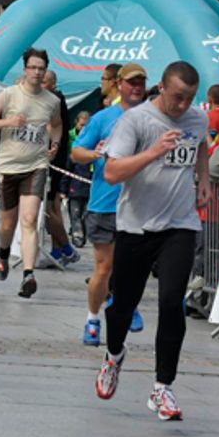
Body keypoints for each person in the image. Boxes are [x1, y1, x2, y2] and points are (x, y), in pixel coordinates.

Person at [94, 62, 210, 422]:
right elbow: (112, 173)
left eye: (189, 98)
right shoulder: (136, 121)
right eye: (177, 97)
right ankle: (114, 355)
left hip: (180, 224)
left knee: (173, 301)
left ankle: (163, 386)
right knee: (123, 307)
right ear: (160, 88)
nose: (182, 106)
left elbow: (201, 145)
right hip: (136, 226)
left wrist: (203, 178)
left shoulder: (196, 119)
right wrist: (152, 153)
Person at [71, 62, 149, 347]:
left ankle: (126, 302)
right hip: (105, 203)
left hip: (140, 204)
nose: (137, 87)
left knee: (133, 266)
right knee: (104, 268)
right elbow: (76, 151)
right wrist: (94, 153)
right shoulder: (104, 118)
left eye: (141, 82)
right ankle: (93, 318)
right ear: (119, 84)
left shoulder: (154, 118)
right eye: (131, 82)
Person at [0, 48, 63, 298]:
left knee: (29, 220)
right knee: (8, 223)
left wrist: (55, 145)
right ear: (25, 69)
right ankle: (3, 252)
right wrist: (8, 123)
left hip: (35, 166)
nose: (37, 73)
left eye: (41, 68)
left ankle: (28, 274)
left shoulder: (52, 101)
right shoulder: (9, 95)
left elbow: (57, 125)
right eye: (33, 68)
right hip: (7, 167)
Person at [43, 70, 80, 267]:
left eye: (44, 81)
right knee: (54, 205)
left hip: (52, 160)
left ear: (53, 83)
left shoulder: (53, 100)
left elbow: (50, 127)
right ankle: (57, 250)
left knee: (46, 208)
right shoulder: (57, 98)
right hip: (57, 157)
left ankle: (66, 247)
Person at [65, 110, 92, 247]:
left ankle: (82, 233)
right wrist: (63, 189)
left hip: (89, 187)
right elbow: (67, 171)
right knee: (75, 213)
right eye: (81, 125)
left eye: (86, 126)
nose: (83, 129)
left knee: (86, 214)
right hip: (75, 187)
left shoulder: (94, 146)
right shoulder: (71, 138)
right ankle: (77, 235)